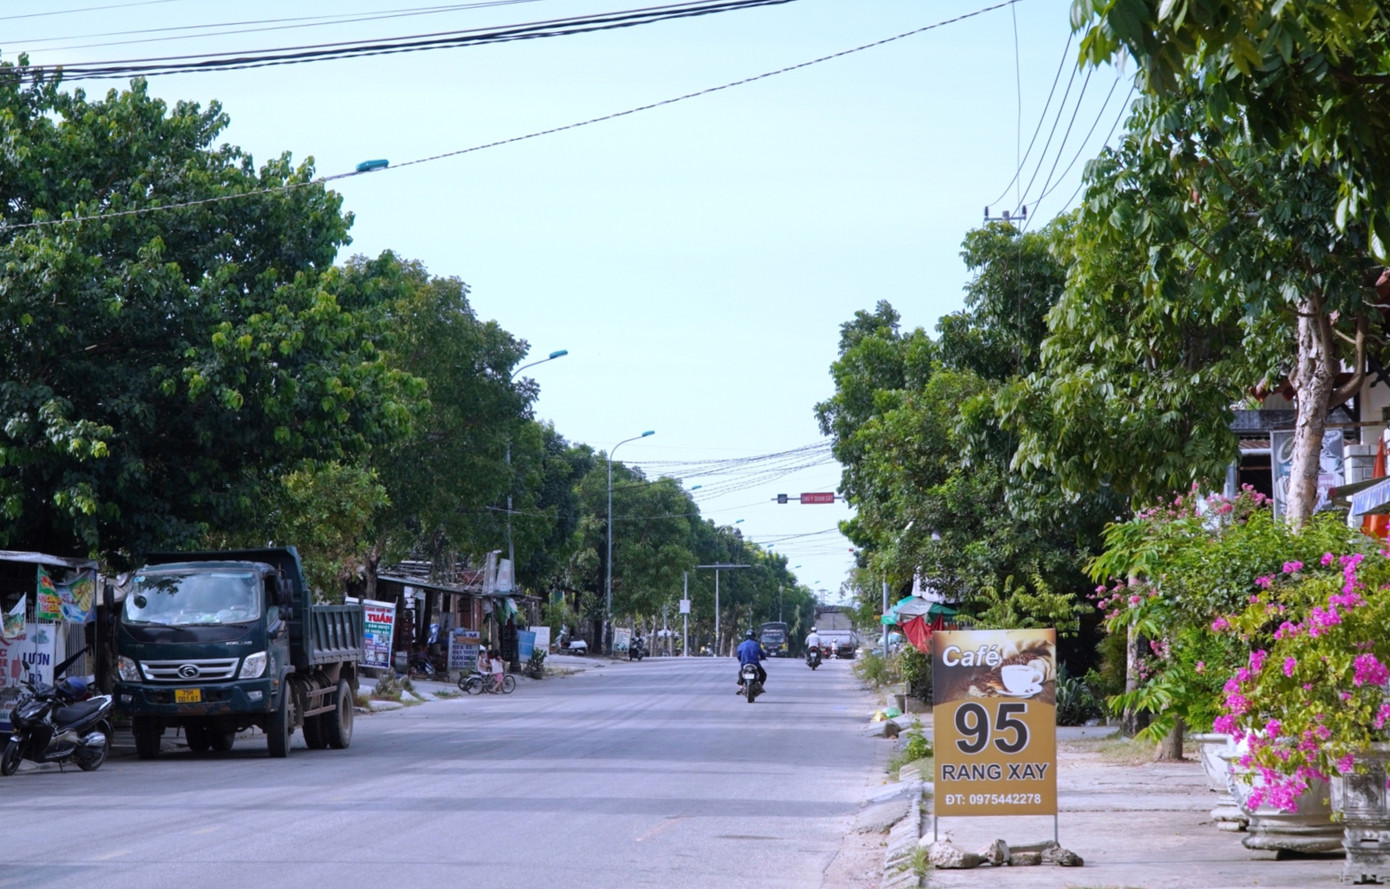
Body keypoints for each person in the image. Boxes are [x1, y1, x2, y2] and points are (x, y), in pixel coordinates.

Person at [736, 629, 767, 693]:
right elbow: (762, 654)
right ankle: (760, 686)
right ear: (754, 637)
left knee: (740, 673)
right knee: (763, 674)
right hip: (755, 664)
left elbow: (738, 654)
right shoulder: (756, 645)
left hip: (744, 664)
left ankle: (741, 686)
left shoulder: (742, 644)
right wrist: (763, 658)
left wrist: (740, 659)